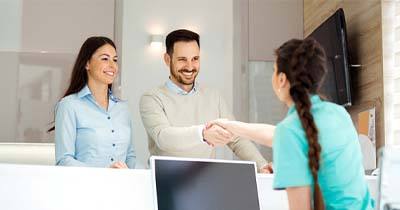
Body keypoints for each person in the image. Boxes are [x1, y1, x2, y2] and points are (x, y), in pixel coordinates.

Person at [209, 38, 375, 209]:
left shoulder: (290, 131)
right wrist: (231, 126)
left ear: (281, 79)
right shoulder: (339, 114)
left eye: (273, 70)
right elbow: (279, 135)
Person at [139, 29, 269, 172]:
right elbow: (163, 137)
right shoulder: (152, 98)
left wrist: (261, 165)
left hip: (205, 180)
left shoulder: (213, 97)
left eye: (195, 59)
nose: (190, 66)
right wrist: (202, 134)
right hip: (165, 181)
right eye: (182, 59)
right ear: (167, 59)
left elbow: (236, 138)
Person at [49, 36, 136, 169]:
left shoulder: (123, 108)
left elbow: (130, 157)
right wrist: (103, 173)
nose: (112, 66)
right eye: (105, 59)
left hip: (121, 188)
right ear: (87, 63)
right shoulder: (69, 105)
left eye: (115, 60)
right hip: (85, 187)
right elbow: (64, 160)